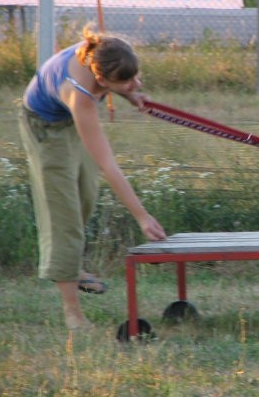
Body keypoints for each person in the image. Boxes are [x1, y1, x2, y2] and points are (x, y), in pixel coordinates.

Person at [18, 24, 167, 330]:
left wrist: (130, 94)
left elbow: (117, 76)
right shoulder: (81, 95)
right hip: (46, 128)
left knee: (86, 195)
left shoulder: (106, 51)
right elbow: (109, 165)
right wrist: (142, 216)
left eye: (136, 76)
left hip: (70, 119)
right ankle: (72, 312)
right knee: (64, 215)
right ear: (102, 80)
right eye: (127, 81)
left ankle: (73, 267)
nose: (136, 82)